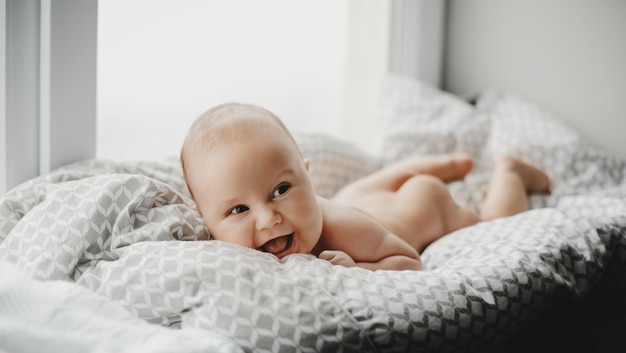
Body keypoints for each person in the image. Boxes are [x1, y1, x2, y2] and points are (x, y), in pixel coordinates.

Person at [180, 102, 551, 271]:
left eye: (280, 190)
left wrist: (361, 269)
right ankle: (447, 165)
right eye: (238, 210)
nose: (268, 218)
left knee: (493, 224)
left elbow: (409, 259)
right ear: (207, 220)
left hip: (424, 207)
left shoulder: (344, 229)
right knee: (362, 190)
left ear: (308, 176)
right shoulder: (226, 246)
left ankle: (510, 173)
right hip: (364, 198)